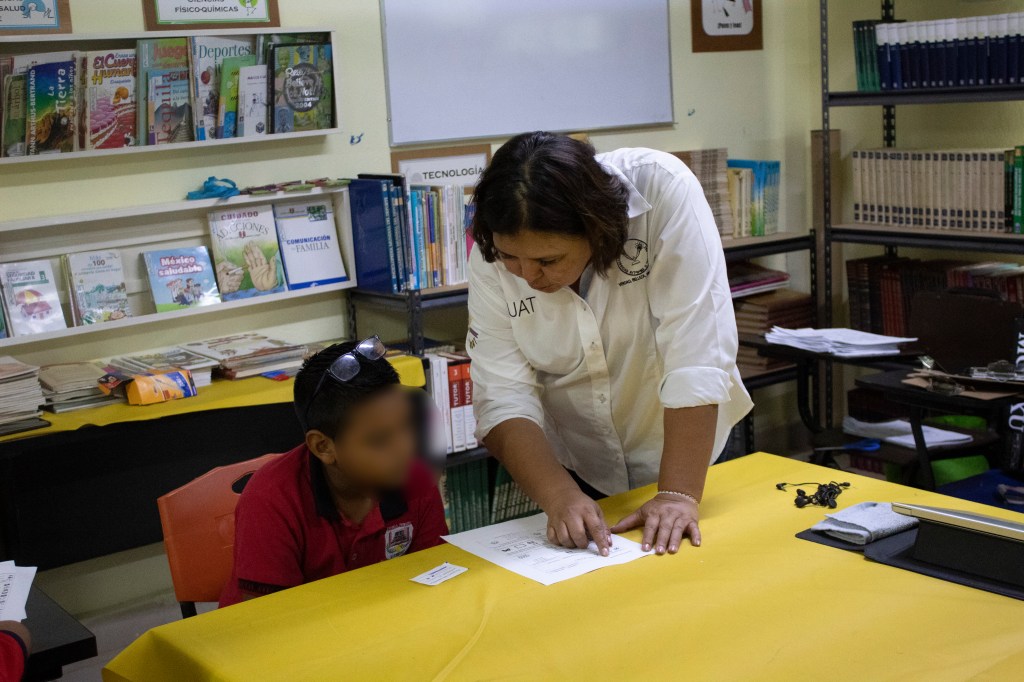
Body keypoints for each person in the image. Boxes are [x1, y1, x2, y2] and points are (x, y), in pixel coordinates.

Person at [467, 132, 753, 557]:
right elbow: (502, 395)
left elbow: (696, 354)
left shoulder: (662, 189)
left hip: (692, 456)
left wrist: (678, 494)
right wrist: (559, 495)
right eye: (511, 257)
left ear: (596, 227)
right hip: (584, 467)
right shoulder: (490, 256)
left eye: (547, 260)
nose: (527, 275)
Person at [220, 338, 448, 607]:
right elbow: (271, 618)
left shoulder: (413, 478)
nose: (406, 448)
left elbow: (434, 581)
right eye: (380, 440)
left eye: (407, 425)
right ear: (323, 447)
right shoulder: (270, 500)